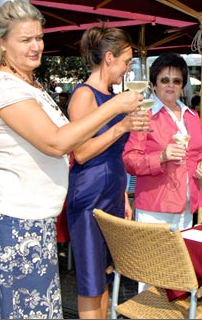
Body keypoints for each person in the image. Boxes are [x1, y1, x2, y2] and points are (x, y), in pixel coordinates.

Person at [0, 0, 142, 319]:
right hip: (16, 219)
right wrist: (115, 108)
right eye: (25, 39)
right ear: (1, 43)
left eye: (39, 37)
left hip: (36, 219)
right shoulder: (3, 88)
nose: (36, 46)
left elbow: (71, 139)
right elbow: (56, 143)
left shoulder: (30, 86)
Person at [66, 25, 149, 319]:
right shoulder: (84, 96)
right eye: (127, 62)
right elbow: (81, 152)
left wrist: (124, 197)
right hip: (89, 195)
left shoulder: (115, 98)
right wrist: (122, 126)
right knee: (90, 282)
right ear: (110, 58)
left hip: (112, 193)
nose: (128, 69)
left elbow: (116, 155)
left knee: (104, 275)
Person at [123, 52, 202, 233]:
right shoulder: (143, 114)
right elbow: (129, 160)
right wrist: (161, 157)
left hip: (187, 205)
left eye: (176, 81)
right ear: (154, 84)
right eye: (164, 80)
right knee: (152, 261)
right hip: (154, 206)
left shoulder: (192, 116)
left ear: (182, 86)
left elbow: (199, 153)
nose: (170, 85)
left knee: (180, 260)